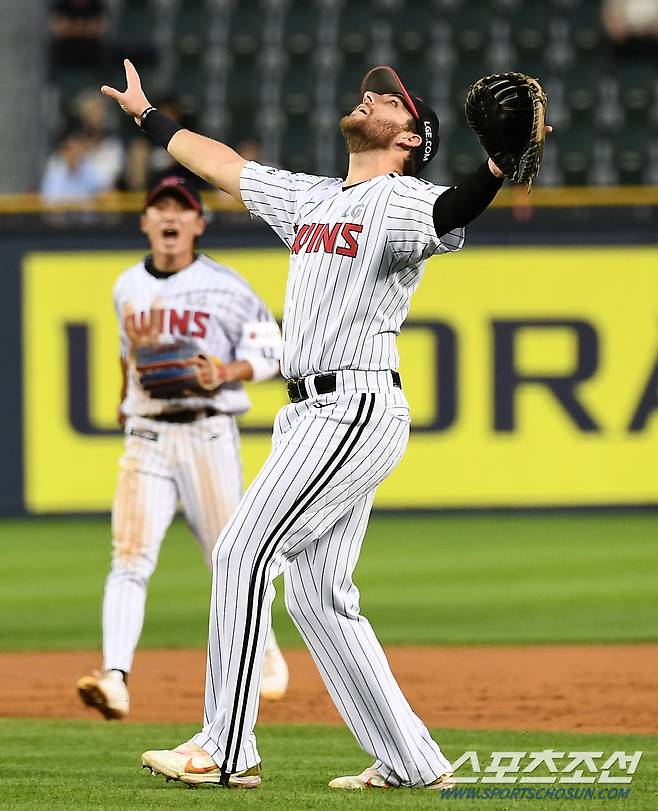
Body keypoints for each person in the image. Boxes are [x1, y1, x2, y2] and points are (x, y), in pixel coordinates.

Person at [101, 59, 550, 789]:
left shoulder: (401, 199)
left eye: (389, 99)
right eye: (371, 88)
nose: (370, 94)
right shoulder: (310, 197)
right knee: (317, 595)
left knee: (243, 548)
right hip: (313, 411)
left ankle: (226, 746)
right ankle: (412, 761)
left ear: (410, 139)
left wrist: (497, 164)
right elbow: (218, 162)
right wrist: (148, 117)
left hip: (352, 403)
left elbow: (452, 211)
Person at [76, 173, 289, 721]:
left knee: (233, 558)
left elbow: (274, 352)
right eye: (159, 209)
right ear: (144, 221)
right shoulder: (127, 286)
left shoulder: (228, 286)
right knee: (129, 558)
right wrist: (125, 402)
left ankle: (263, 650)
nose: (169, 217)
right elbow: (130, 356)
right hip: (146, 437)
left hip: (208, 433)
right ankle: (115, 678)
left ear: (199, 222)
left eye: (181, 209)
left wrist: (227, 370)